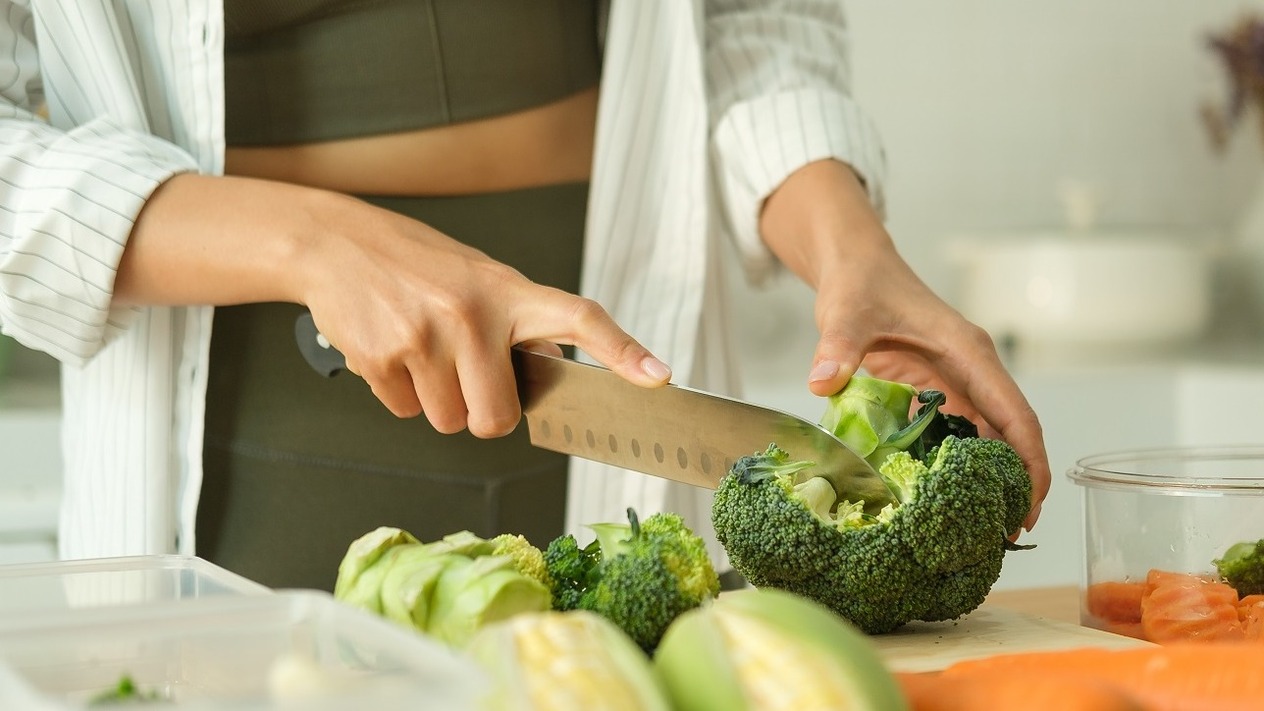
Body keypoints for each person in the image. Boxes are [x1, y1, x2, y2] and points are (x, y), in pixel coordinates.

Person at [0, 1, 1050, 589]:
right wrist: (316, 239)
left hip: (617, 358)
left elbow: (744, 20)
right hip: (238, 453)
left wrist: (846, 241)